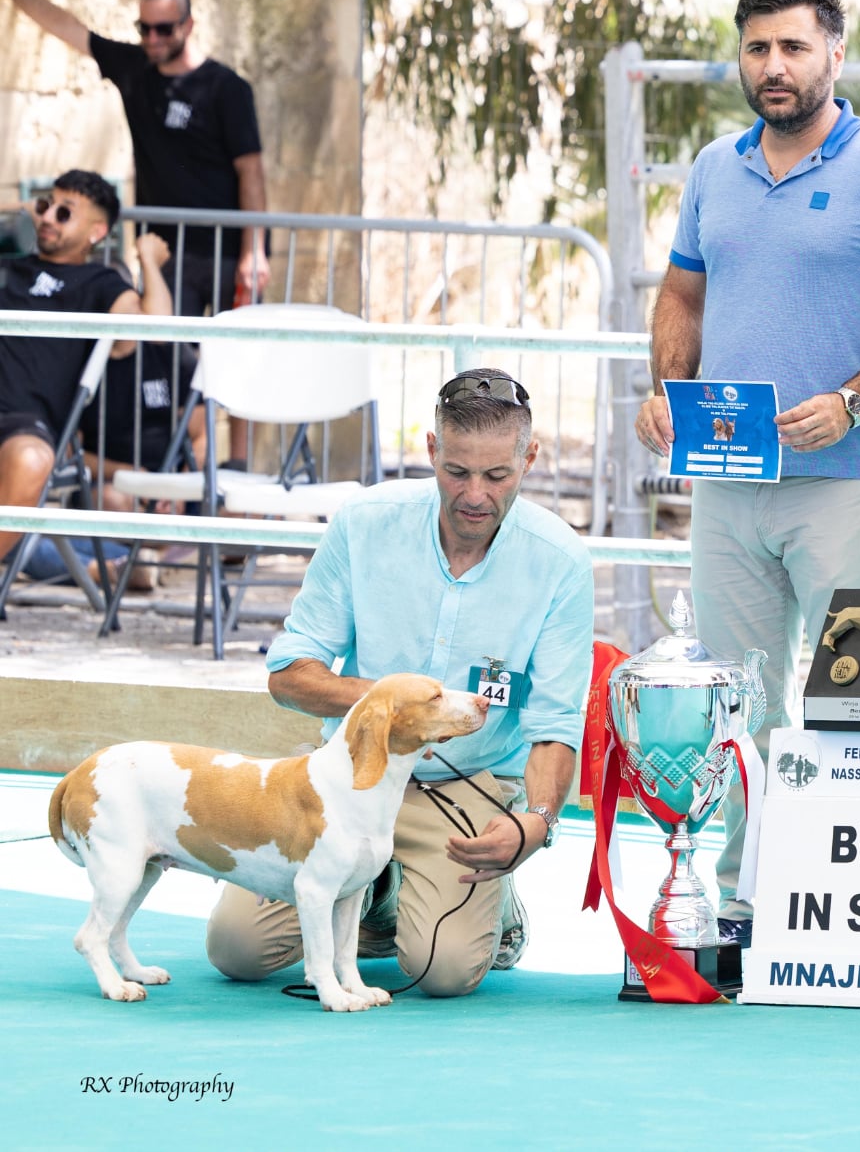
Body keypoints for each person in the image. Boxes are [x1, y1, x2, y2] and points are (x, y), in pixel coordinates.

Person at [633, 0, 860, 946]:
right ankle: (744, 894)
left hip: (842, 486)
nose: (773, 66)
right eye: (757, 49)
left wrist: (857, 398)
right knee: (739, 702)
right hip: (727, 488)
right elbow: (681, 294)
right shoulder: (715, 168)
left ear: (834, 54)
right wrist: (668, 389)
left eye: (792, 47)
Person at [206, 369, 595, 997]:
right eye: (457, 471)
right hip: (347, 776)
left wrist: (536, 823)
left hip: (468, 784)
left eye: (497, 475)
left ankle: (492, 905)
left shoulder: (562, 561)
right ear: (432, 450)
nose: (475, 494)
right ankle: (378, 897)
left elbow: (554, 723)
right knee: (237, 950)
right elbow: (289, 674)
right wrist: (392, 704)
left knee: (442, 973)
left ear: (529, 459)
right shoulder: (363, 521)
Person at [0, 0, 270, 319]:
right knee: (166, 347)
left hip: (226, 251)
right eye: (144, 28)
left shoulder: (227, 88)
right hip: (167, 252)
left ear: (188, 25)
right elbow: (66, 27)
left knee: (234, 348)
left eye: (164, 29)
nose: (153, 38)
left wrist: (253, 252)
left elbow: (251, 171)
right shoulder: (134, 68)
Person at [0, 170, 170, 578]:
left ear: (97, 232)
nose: (47, 217)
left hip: (22, 424)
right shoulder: (9, 267)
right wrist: (19, 209)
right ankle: (106, 567)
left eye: (65, 212)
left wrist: (149, 262)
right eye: (45, 205)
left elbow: (158, 331)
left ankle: (106, 565)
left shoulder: (100, 282)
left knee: (32, 460)